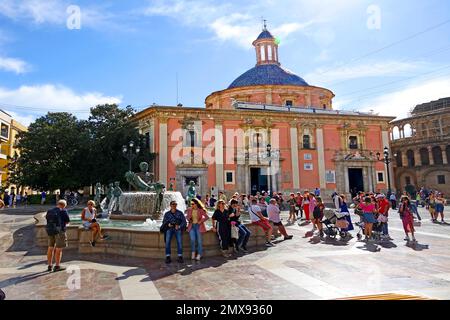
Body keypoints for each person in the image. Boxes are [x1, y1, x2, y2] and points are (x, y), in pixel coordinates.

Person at [45, 200, 70, 272]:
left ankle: (49, 265)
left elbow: (47, 219)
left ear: (58, 204)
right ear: (64, 205)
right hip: (60, 231)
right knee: (59, 249)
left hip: (50, 230)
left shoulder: (50, 211)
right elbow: (67, 221)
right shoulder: (63, 211)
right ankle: (57, 266)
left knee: (50, 247)